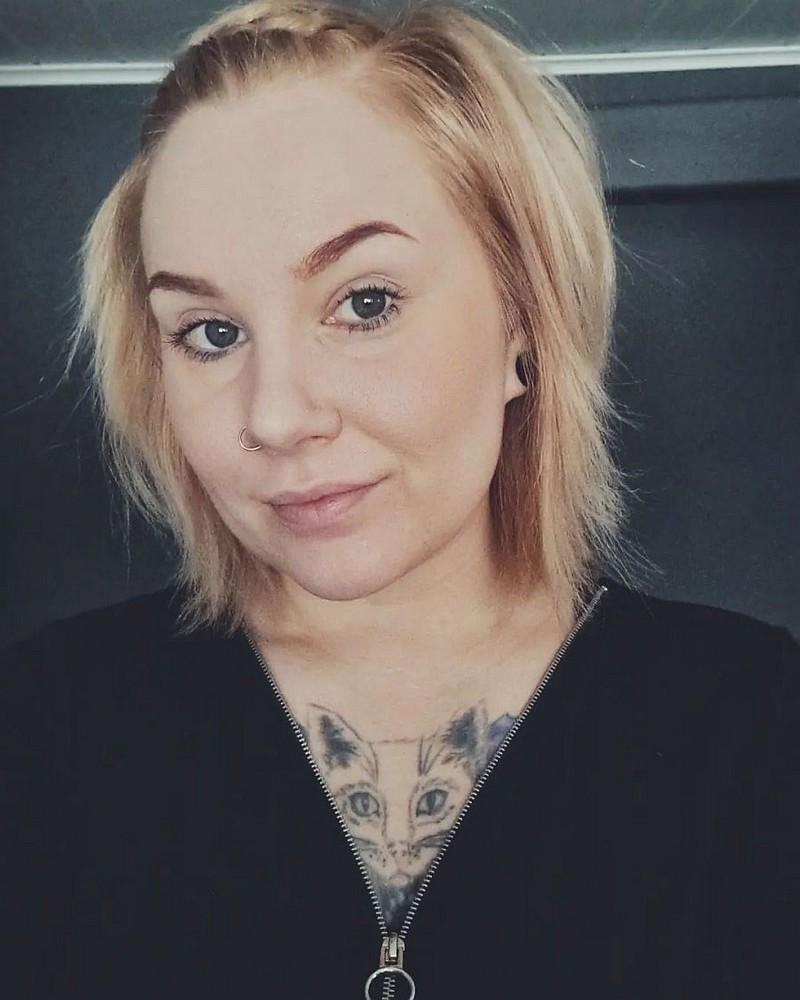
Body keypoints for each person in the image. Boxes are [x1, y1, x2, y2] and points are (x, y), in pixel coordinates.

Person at [2, 1, 798, 998]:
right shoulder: (47, 724)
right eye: (210, 333)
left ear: (523, 320)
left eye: (365, 303)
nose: (276, 416)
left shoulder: (759, 725)